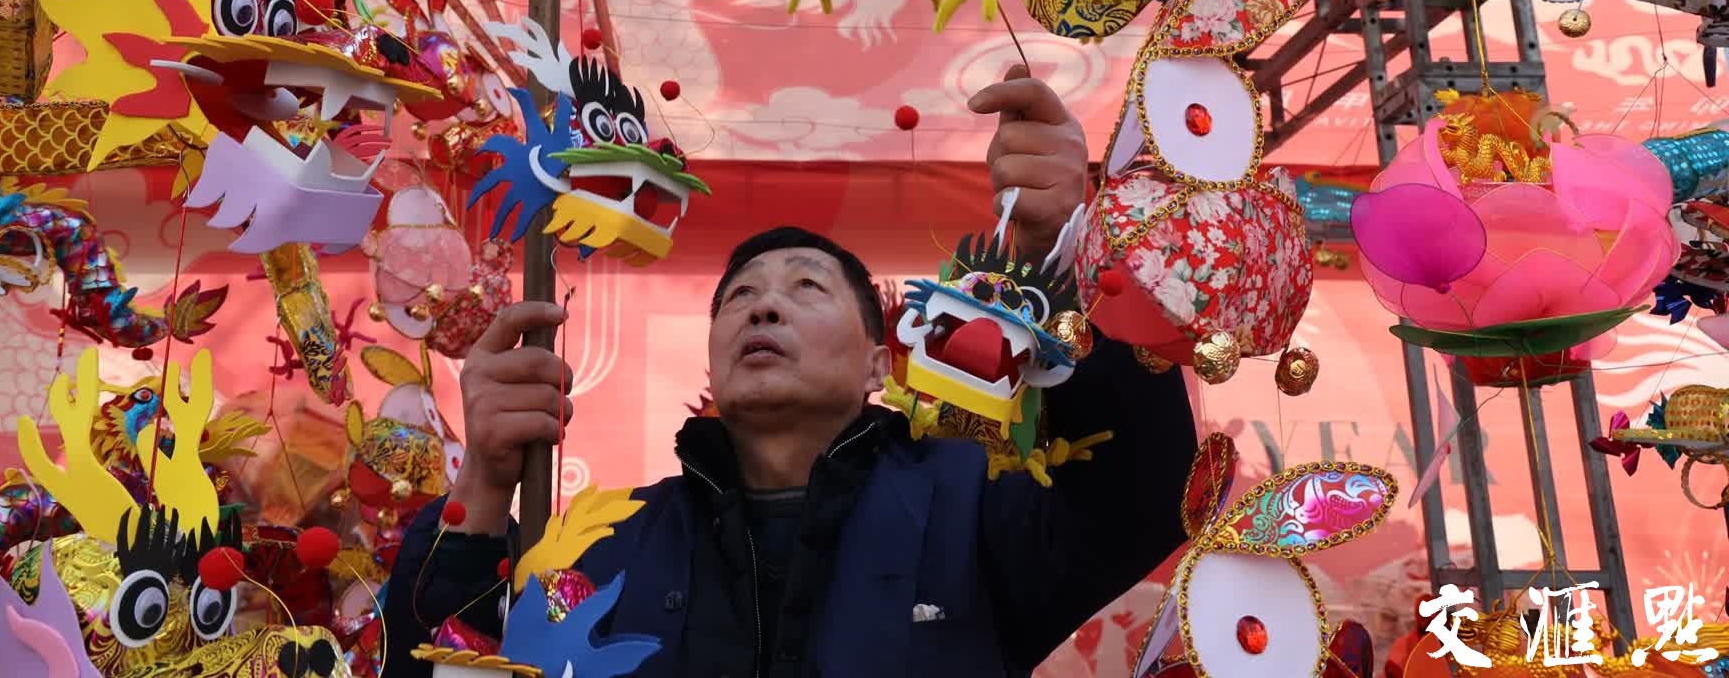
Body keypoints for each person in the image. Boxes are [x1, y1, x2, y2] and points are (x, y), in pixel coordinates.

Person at [384, 65, 1198, 677]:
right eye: (738, 298)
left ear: (880, 360)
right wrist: (483, 494)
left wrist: (1079, 251)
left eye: (805, 288)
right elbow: (438, 661)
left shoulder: (971, 512)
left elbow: (1143, 499)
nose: (762, 309)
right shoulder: (612, 544)